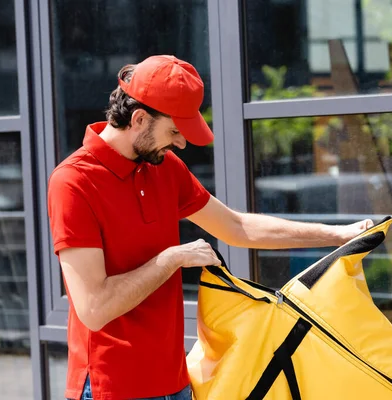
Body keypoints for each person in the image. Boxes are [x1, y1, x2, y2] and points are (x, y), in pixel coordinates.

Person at [47, 54, 374, 400]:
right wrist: (172, 258)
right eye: (174, 130)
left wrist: (339, 235)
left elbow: (236, 226)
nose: (181, 143)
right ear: (139, 119)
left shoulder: (165, 168)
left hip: (176, 383)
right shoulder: (73, 183)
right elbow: (94, 309)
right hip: (111, 388)